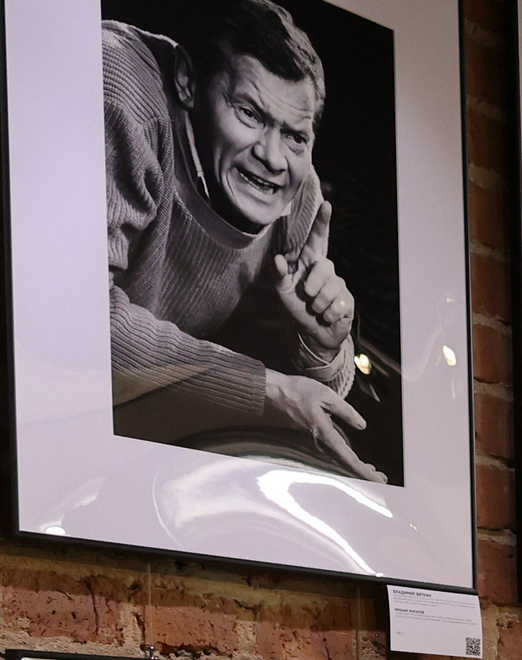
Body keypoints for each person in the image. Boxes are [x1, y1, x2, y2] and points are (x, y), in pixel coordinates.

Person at [103, 2, 379, 478]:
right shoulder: (122, 91)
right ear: (189, 81)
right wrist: (268, 390)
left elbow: (319, 404)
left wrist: (322, 346)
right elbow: (76, 326)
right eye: (250, 113)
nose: (273, 157)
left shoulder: (298, 193)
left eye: (295, 135)